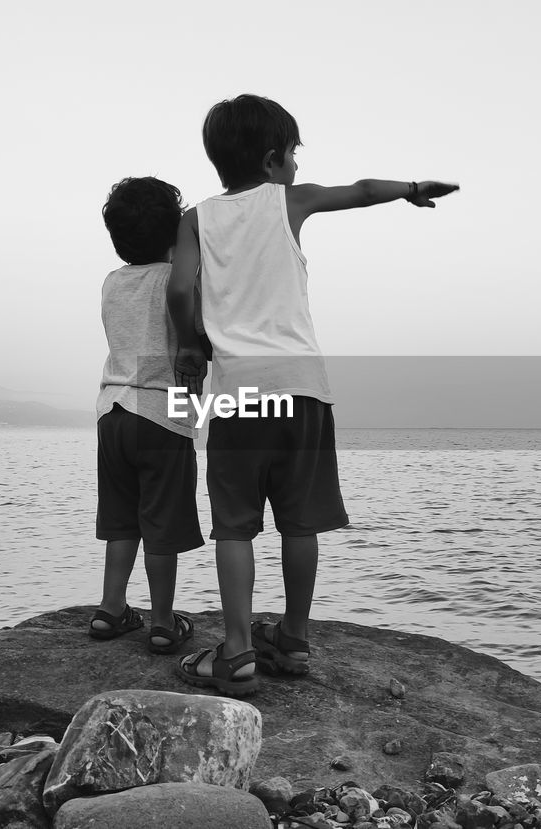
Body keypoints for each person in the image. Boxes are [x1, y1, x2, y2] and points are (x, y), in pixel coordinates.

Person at [166, 94, 459, 696]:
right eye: (294, 154)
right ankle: (295, 640)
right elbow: (359, 189)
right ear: (274, 159)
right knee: (300, 523)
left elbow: (177, 292)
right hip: (303, 390)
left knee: (234, 528)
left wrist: (193, 345)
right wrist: (410, 187)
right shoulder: (290, 201)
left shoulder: (195, 219)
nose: (297, 166)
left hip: (238, 395)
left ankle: (239, 651)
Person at [90, 176, 203, 655]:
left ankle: (110, 610)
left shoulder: (112, 283)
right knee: (161, 526)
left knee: (121, 520)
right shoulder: (177, 282)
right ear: (174, 233)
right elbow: (197, 335)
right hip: (163, 411)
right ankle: (161, 622)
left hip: (112, 409)